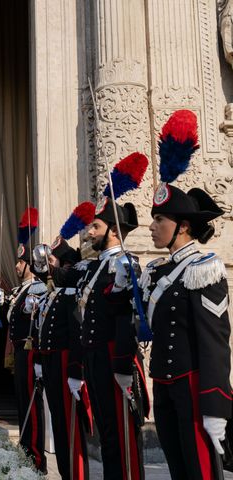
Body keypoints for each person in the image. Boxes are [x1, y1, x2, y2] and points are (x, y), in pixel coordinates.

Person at [140, 109, 231, 479]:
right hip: (163, 385)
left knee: (199, 472)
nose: (151, 226)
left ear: (183, 226)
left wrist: (216, 407)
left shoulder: (203, 269)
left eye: (159, 220)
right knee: (179, 470)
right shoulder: (157, 271)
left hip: (193, 391)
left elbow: (215, 343)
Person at [77, 196, 148, 480]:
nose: (89, 232)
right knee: (107, 432)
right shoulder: (94, 267)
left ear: (114, 230)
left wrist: (121, 364)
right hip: (95, 357)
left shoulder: (127, 264)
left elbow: (127, 318)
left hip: (115, 359)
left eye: (95, 226)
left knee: (122, 433)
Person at [33, 237, 90, 480]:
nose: (47, 267)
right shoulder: (51, 294)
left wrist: (76, 371)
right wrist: (39, 360)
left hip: (66, 363)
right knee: (58, 421)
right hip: (51, 363)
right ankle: (66, 473)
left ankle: (76, 475)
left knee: (69, 426)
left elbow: (78, 335)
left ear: (65, 264)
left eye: (52, 261)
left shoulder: (70, 295)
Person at [8, 242, 47, 473]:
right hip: (21, 351)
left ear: (30, 266)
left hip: (32, 351)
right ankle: (26, 449)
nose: (16, 266)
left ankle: (35, 457)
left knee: (32, 405)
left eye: (21, 262)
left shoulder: (38, 289)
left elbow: (38, 324)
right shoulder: (21, 289)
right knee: (23, 401)